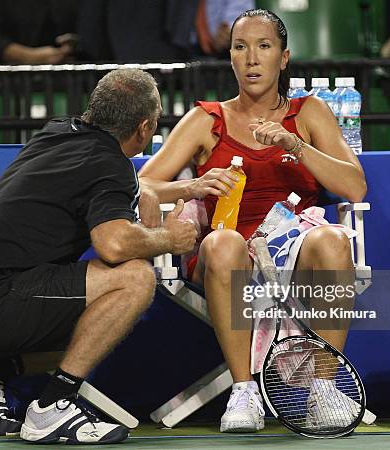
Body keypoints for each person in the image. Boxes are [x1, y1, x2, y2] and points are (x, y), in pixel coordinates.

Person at [0, 68, 197, 445]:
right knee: (135, 279)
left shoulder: (59, 131)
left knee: (96, 323)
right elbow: (115, 244)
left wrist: (163, 192)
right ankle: (52, 408)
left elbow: (110, 186)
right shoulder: (109, 165)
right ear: (143, 128)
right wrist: (169, 237)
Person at [138, 9, 367, 433]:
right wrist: (194, 186)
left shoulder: (310, 112)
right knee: (224, 244)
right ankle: (243, 391)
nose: (252, 59)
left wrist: (296, 146)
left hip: (291, 248)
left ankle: (323, 387)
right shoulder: (207, 119)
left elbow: (355, 187)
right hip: (225, 253)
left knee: (334, 240)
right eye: (241, 48)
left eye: (264, 47)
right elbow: (144, 182)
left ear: (283, 58)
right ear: (231, 58)